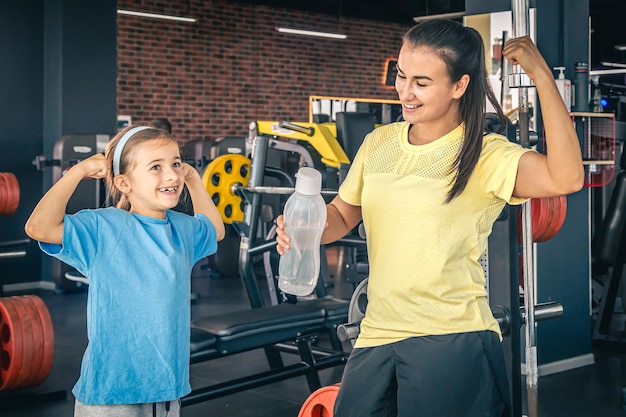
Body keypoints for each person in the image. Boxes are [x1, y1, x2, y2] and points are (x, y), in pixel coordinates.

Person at [275, 19, 583, 417]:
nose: (405, 91)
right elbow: (340, 215)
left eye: (422, 82)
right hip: (377, 331)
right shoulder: (379, 143)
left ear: (459, 86)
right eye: (402, 76)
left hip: (451, 335)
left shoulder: (485, 154)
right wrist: (306, 227)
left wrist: (542, 77)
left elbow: (567, 176)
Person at [24, 125, 225, 417]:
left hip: (166, 388)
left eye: (176, 164)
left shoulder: (182, 228)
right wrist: (78, 171)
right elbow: (37, 227)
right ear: (124, 183)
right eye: (156, 167)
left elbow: (215, 230)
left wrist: (193, 178)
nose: (171, 175)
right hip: (112, 393)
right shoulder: (103, 227)